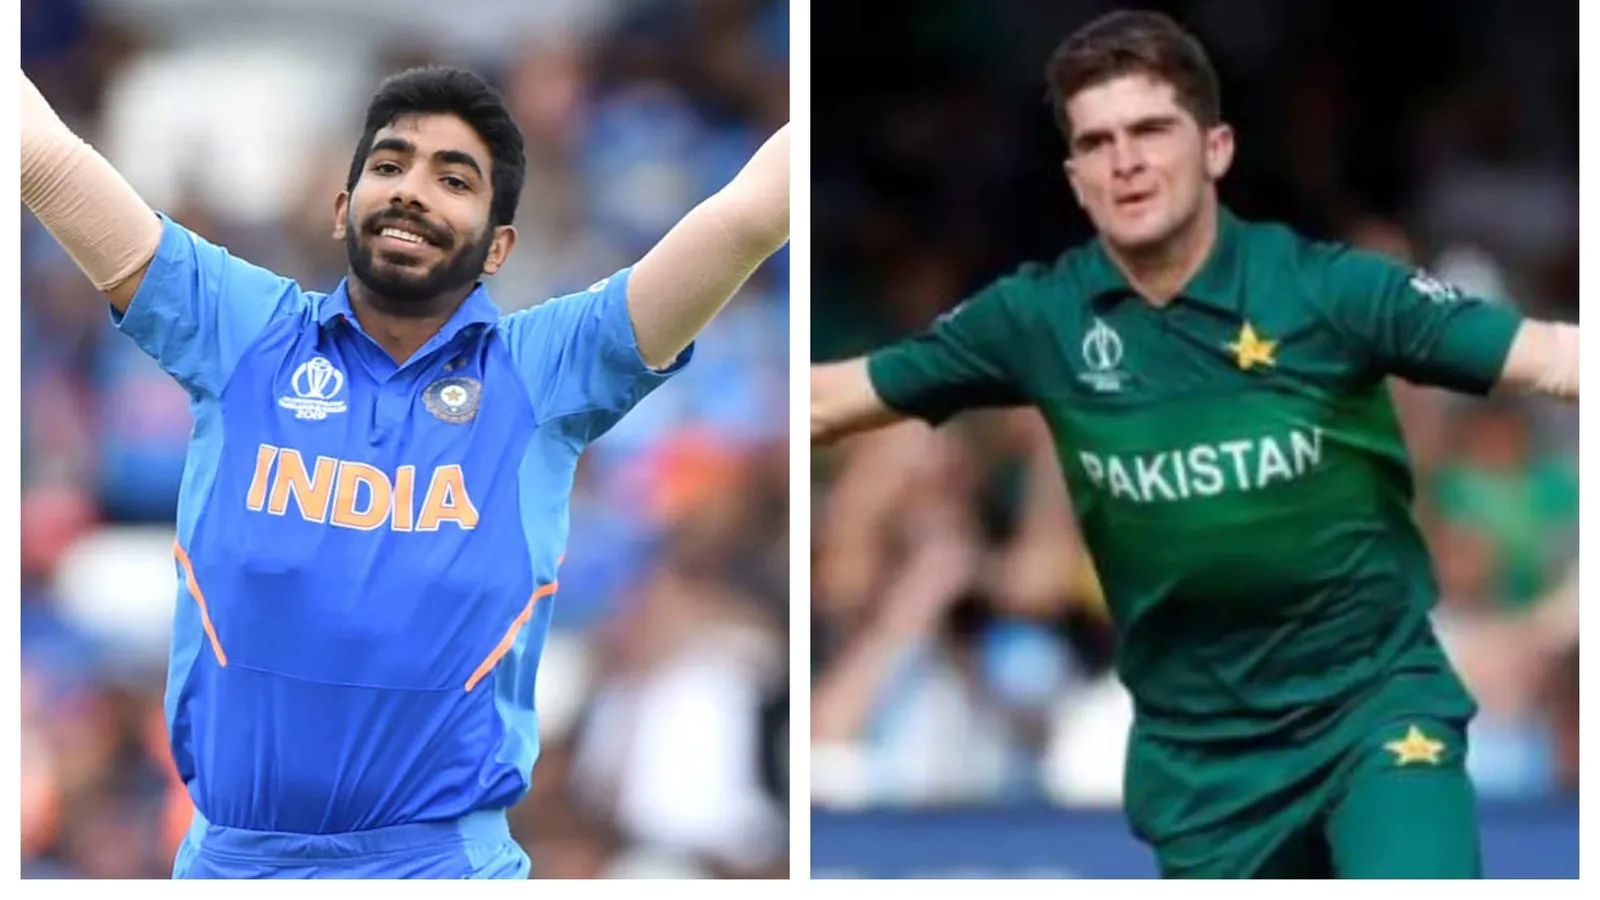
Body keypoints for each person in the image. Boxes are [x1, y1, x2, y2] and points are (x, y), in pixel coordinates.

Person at [810, 10, 1575, 879]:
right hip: (1205, 772)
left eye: (1150, 131)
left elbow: (1555, 357)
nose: (1125, 160)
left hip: (1373, 716)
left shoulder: (1328, 293)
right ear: (1074, 177)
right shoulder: (1040, 320)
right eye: (1097, 142)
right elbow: (832, 398)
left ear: (1216, 148)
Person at [21, 65, 788, 879]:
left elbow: (748, 215)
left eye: (454, 179)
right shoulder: (241, 330)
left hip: (439, 869)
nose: (413, 192)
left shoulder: (545, 369)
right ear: (343, 208)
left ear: (500, 245)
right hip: (233, 866)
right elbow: (41, 157)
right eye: (389, 167)